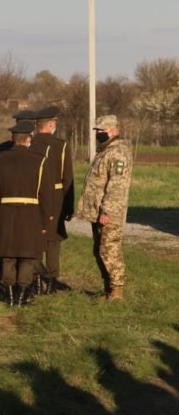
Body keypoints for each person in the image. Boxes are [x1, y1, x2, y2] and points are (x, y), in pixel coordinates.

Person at [0, 122, 51, 306]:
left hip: (6, 212)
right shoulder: (40, 161)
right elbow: (45, 195)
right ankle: (21, 295)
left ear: (13, 139)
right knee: (28, 256)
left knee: (8, 255)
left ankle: (10, 295)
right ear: (29, 138)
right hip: (31, 214)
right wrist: (46, 221)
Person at [76, 115, 134, 301]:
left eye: (102, 130)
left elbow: (117, 185)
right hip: (98, 210)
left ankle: (116, 291)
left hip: (109, 212)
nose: (99, 133)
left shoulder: (118, 151)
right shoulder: (106, 149)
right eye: (98, 131)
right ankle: (108, 288)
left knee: (109, 249)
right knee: (99, 250)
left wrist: (107, 211)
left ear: (114, 129)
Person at [31, 106, 75, 292]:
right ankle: (51, 279)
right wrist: (68, 207)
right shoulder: (60, 145)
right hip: (56, 197)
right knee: (53, 240)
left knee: (34, 236)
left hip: (33, 195)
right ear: (51, 124)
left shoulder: (29, 143)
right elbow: (68, 179)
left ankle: (35, 276)